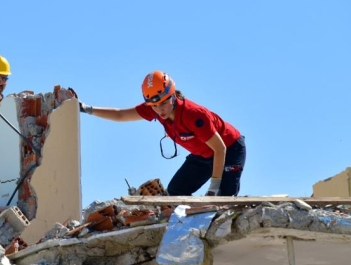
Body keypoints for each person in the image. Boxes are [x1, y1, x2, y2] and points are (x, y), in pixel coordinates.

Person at [79, 70, 246, 196]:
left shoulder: (194, 115)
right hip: (203, 155)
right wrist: (87, 109)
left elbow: (220, 149)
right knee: (175, 192)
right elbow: (121, 114)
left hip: (229, 149)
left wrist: (213, 188)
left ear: (172, 96)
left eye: (163, 103)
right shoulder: (154, 109)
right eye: (154, 106)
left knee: (223, 200)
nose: (159, 110)